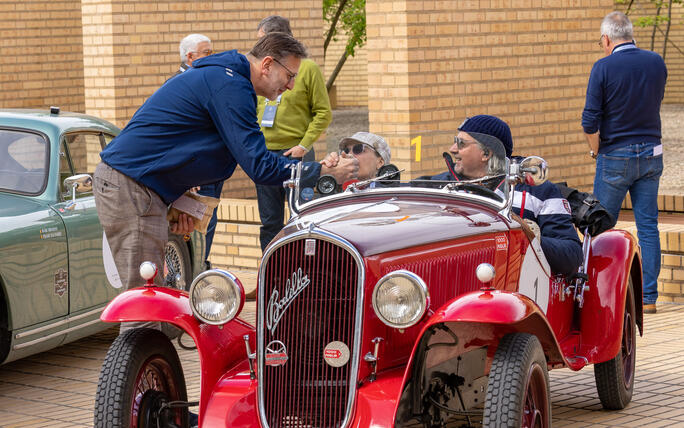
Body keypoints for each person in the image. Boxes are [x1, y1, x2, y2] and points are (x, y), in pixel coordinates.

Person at [93, 32, 358, 334]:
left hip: (139, 187)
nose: (291, 85)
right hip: (132, 188)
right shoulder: (229, 84)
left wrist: (184, 205)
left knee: (152, 298)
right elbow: (259, 165)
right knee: (144, 301)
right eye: (289, 75)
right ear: (267, 64)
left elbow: (198, 153)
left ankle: (147, 374)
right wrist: (321, 173)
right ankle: (137, 378)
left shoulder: (226, 78)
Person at [582, 11, 667, 313]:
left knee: (599, 226)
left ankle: (601, 295)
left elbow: (590, 121)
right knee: (648, 226)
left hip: (615, 154)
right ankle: (649, 297)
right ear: (631, 34)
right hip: (651, 154)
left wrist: (596, 151)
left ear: (606, 39)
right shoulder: (656, 62)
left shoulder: (602, 67)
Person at [424, 115, 583, 276]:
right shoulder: (438, 185)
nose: (452, 149)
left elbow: (572, 256)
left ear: (486, 153)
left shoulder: (539, 192)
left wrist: (532, 238)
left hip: (514, 288)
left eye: (461, 144)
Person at [254, 15, 333, 252]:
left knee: (301, 217)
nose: (257, 46)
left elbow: (323, 113)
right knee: (270, 222)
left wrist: (304, 145)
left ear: (274, 39)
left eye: (261, 40)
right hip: (266, 155)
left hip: (297, 155)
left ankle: (302, 270)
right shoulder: (262, 70)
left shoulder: (306, 69)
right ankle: (270, 272)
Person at [171, 33, 222, 270]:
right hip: (194, 175)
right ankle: (194, 273)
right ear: (190, 57)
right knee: (194, 227)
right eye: (207, 53)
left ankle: (200, 268)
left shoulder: (202, 80)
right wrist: (186, 174)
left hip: (210, 170)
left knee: (208, 224)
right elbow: (177, 135)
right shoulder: (179, 84)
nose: (212, 57)